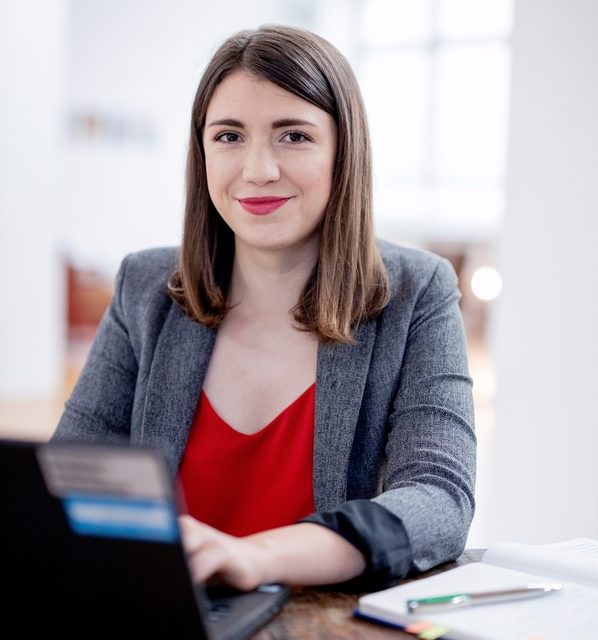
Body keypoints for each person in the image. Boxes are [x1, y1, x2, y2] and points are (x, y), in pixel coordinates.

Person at [52, 25, 476, 592]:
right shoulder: (145, 286)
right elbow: (69, 475)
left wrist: (258, 556)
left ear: (343, 152)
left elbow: (439, 497)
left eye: (293, 136)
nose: (258, 170)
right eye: (228, 136)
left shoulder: (416, 292)